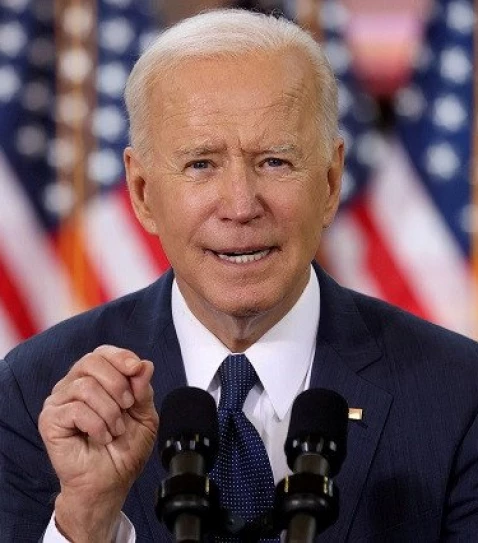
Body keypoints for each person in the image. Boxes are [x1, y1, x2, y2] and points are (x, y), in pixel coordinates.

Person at [1, 8, 478, 542]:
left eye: (274, 161)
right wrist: (86, 520)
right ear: (142, 193)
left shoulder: (459, 399)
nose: (241, 205)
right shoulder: (35, 394)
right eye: (201, 164)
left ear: (329, 181)